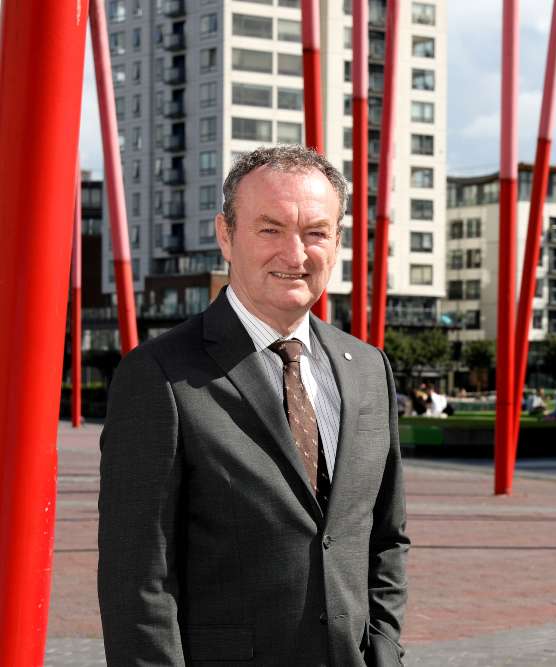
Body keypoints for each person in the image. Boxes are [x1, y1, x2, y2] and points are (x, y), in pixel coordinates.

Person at [98, 146, 409, 667]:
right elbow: (138, 581)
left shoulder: (368, 368)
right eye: (270, 229)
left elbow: (385, 536)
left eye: (315, 232)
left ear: (337, 242)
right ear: (226, 235)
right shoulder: (160, 375)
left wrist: (384, 647)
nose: (295, 254)